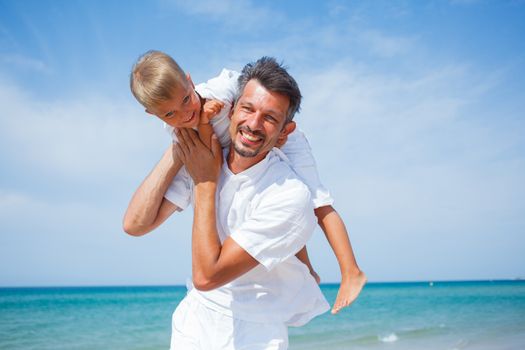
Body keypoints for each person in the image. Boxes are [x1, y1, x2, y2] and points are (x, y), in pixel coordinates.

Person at [124, 50, 366, 314]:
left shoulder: (220, 89)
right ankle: (307, 270)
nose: (184, 114)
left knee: (316, 201)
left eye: (186, 100)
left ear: (191, 82)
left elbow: (254, 96)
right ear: (153, 114)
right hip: (226, 151)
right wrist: (188, 140)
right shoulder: (184, 133)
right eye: (170, 114)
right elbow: (134, 225)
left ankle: (350, 270)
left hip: (276, 142)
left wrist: (230, 112)